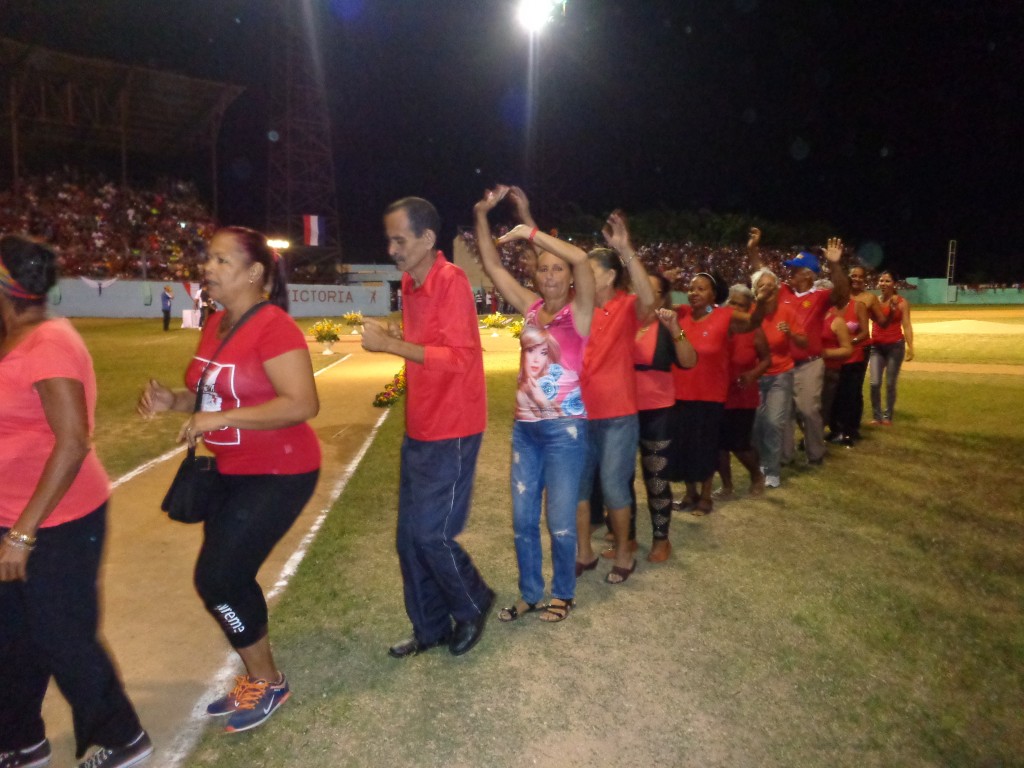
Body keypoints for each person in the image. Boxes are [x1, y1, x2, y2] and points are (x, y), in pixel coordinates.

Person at [138, 226, 320, 734]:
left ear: (254, 272)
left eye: (220, 261)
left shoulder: (276, 327)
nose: (208, 269)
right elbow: (211, 394)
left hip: (281, 470)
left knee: (216, 577)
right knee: (228, 573)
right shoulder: (216, 323)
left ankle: (268, 681)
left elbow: (302, 404)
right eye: (209, 260)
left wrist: (219, 422)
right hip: (229, 471)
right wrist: (172, 401)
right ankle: (259, 676)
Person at [0, 235, 153, 768]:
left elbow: (72, 442)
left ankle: (121, 737)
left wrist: (23, 533)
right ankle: (18, 740)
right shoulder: (14, 338)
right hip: (12, 515)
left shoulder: (49, 344)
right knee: (12, 638)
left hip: (57, 520)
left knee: (63, 637)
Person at [361, 197, 494, 656]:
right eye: (390, 239)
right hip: (420, 424)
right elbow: (427, 345)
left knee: (431, 535)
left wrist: (390, 346)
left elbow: (460, 358)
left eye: (400, 239)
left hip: (453, 426)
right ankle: (430, 627)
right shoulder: (410, 282)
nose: (392, 247)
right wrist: (399, 337)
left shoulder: (451, 282)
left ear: (427, 239)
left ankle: (474, 602)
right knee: (408, 540)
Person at [473, 184, 594, 623]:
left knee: (559, 522)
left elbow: (582, 258)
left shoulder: (581, 313)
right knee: (523, 521)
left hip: (566, 430)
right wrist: (482, 215)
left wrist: (531, 231)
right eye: (543, 270)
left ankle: (563, 592)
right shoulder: (530, 307)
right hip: (527, 429)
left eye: (557, 270)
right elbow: (489, 263)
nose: (550, 276)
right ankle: (529, 592)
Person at [575, 212, 658, 585]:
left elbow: (650, 299)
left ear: (608, 277)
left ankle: (624, 550)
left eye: (589, 272)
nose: (582, 280)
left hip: (617, 416)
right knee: (577, 486)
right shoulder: (578, 309)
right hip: (578, 414)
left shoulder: (625, 307)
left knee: (612, 486)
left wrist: (625, 250)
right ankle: (584, 553)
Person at [748, 229, 849, 466]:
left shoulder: (820, 296)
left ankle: (816, 453)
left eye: (794, 269)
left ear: (808, 274)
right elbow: (760, 273)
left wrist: (835, 265)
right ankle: (784, 456)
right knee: (783, 413)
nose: (789, 271)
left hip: (809, 363)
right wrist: (752, 249)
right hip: (783, 363)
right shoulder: (783, 291)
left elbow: (842, 293)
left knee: (808, 409)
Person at [671, 273, 766, 514]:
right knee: (684, 446)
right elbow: (680, 340)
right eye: (691, 288)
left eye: (701, 289)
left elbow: (754, 321)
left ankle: (705, 497)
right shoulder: (681, 315)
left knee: (706, 448)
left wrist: (762, 301)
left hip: (709, 395)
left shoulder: (724, 316)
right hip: (680, 391)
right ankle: (689, 493)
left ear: (714, 295)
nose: (694, 293)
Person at [634, 275, 696, 562]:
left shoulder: (666, 325)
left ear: (661, 297)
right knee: (618, 475)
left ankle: (661, 539)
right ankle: (625, 536)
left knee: (656, 476)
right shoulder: (624, 323)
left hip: (657, 410)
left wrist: (676, 330)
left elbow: (688, 360)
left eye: (650, 290)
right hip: (621, 408)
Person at [750, 269, 807, 488]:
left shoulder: (787, 312)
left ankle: (772, 470)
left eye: (771, 286)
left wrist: (791, 334)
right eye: (762, 287)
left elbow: (803, 341)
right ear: (755, 291)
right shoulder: (752, 313)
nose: (768, 290)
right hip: (754, 376)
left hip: (780, 375)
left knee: (773, 421)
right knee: (756, 424)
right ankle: (761, 463)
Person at [714, 284, 770, 501]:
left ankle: (757, 475)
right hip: (715, 392)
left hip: (741, 394)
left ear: (749, 309)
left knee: (739, 444)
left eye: (742, 305)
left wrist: (752, 374)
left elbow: (766, 359)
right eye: (732, 303)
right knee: (717, 445)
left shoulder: (755, 331)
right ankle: (727, 486)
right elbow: (685, 336)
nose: (736, 308)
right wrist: (677, 334)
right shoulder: (716, 322)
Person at [869, 270, 914, 425]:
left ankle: (887, 416)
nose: (883, 283)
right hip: (876, 346)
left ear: (894, 284)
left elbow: (906, 325)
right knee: (874, 382)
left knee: (890, 383)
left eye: (887, 281)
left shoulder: (902, 302)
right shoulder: (873, 301)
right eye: (881, 280)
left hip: (895, 346)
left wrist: (910, 346)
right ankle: (876, 416)